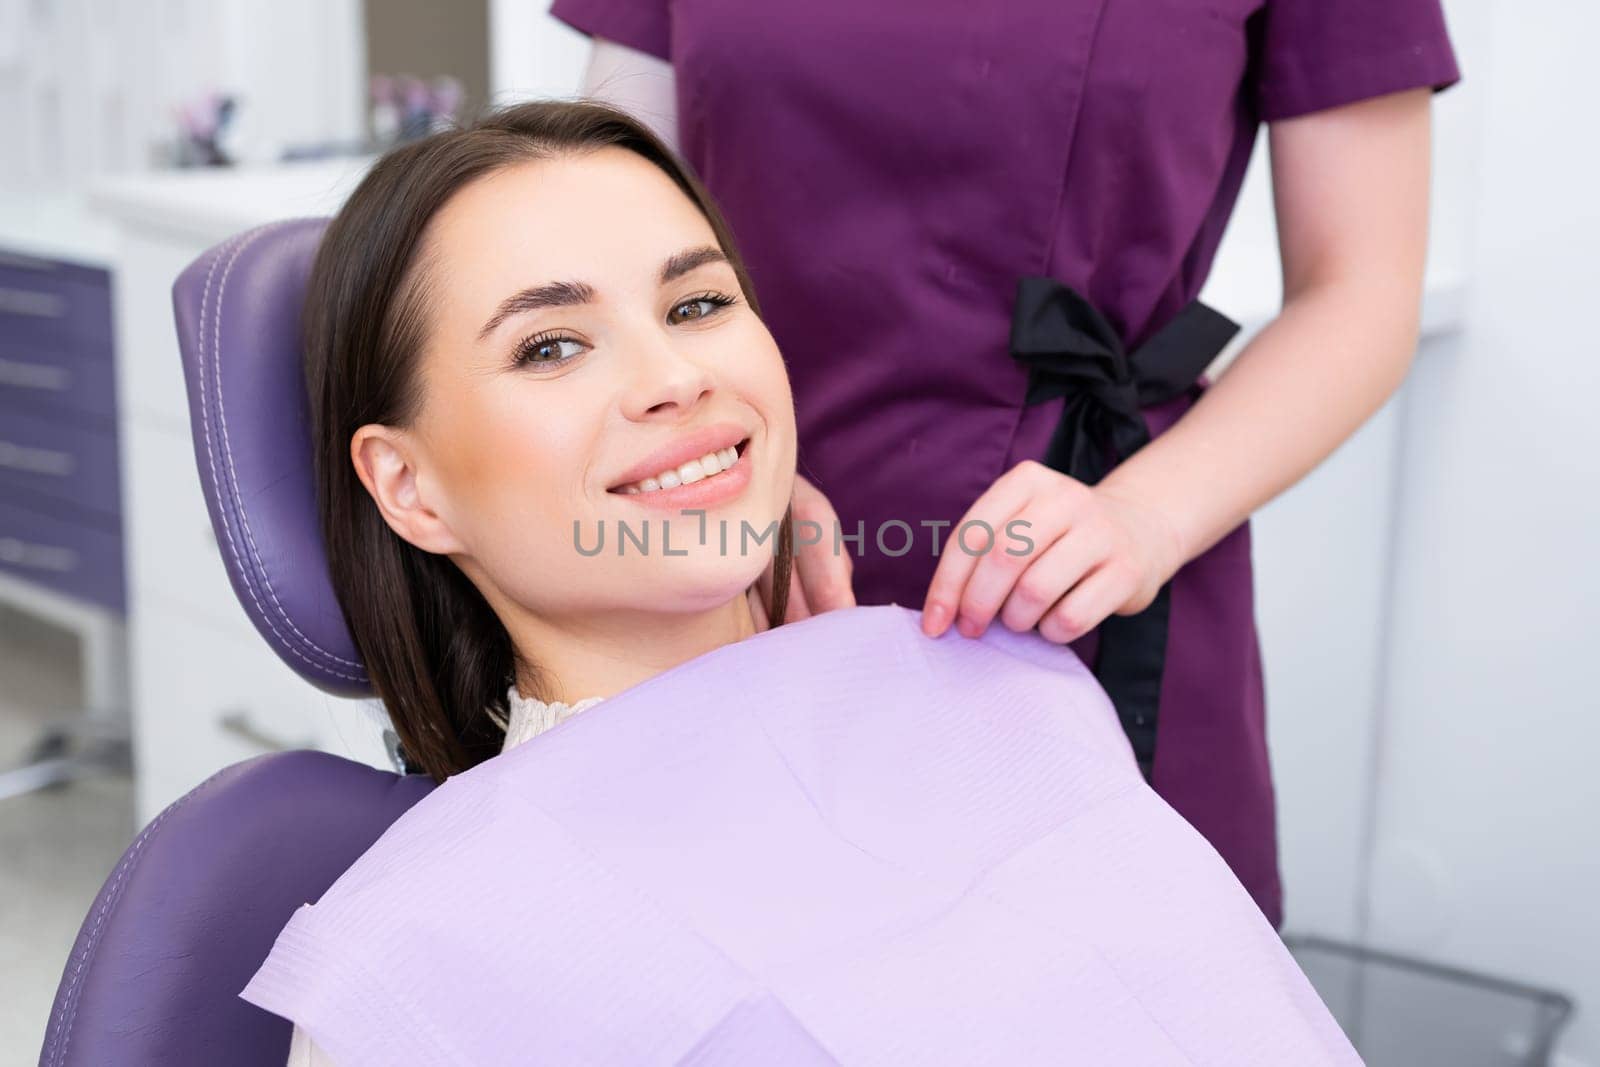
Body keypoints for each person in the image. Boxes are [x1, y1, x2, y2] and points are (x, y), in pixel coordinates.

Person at [262, 99, 1357, 1065]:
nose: (677, 377)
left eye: (696, 306)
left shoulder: (1013, 699)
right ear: (408, 488)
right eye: (550, 346)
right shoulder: (423, 959)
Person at [551, 0, 1464, 928]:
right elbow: (597, 234)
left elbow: (1359, 290)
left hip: (1087, 562)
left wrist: (1145, 516)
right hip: (729, 575)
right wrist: (722, 469)